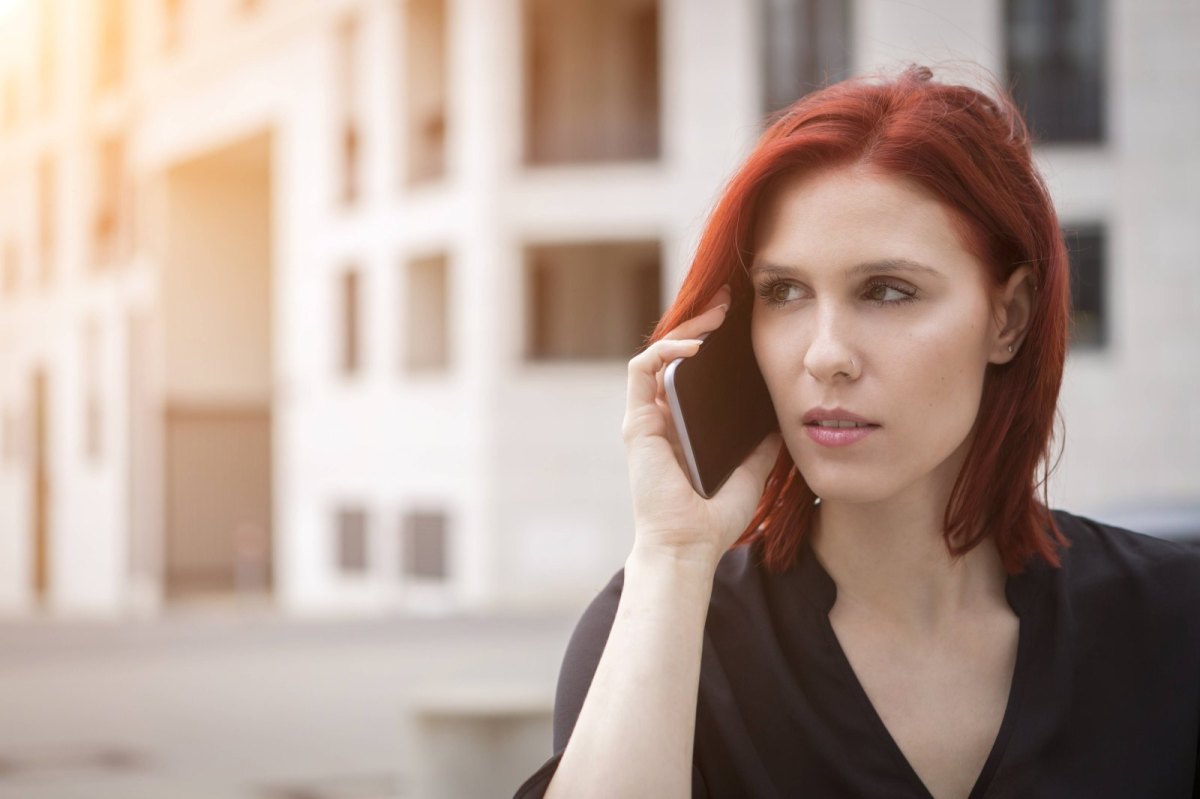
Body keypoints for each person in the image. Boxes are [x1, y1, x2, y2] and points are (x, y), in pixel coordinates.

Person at [513, 64, 1200, 798]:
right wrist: (676, 554)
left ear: (1009, 317)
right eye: (784, 292)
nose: (825, 354)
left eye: (887, 290)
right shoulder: (659, 628)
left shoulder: (1170, 620)